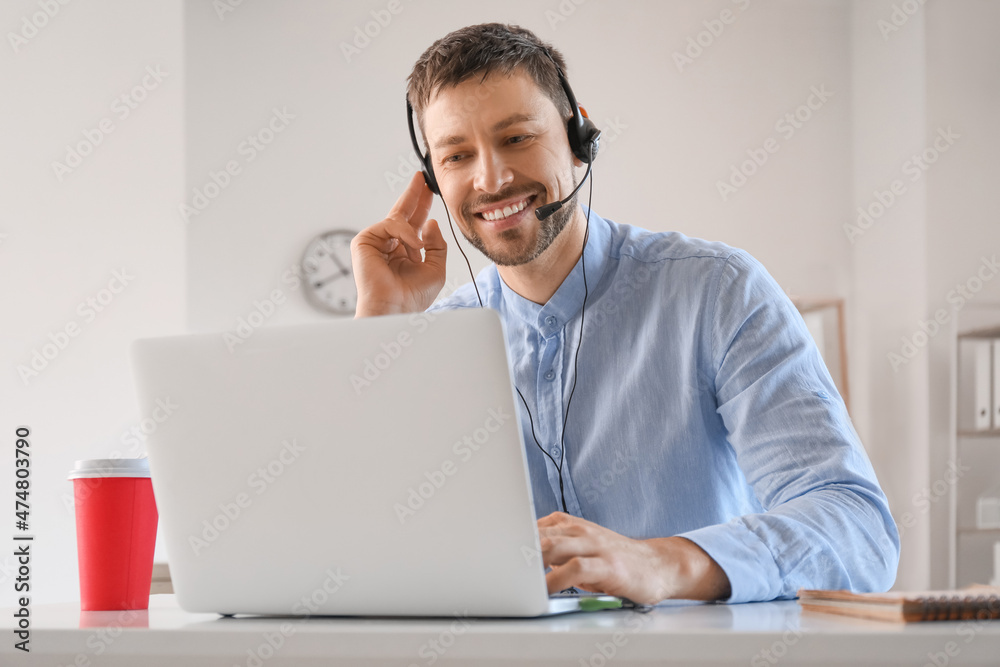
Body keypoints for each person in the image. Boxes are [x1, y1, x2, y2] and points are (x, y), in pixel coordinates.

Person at [350, 23, 899, 605]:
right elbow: (352, 550)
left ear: (577, 135)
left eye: (516, 138)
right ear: (436, 177)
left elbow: (858, 530)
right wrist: (382, 334)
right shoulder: (434, 340)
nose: (491, 179)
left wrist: (661, 562)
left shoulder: (715, 291)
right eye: (458, 155)